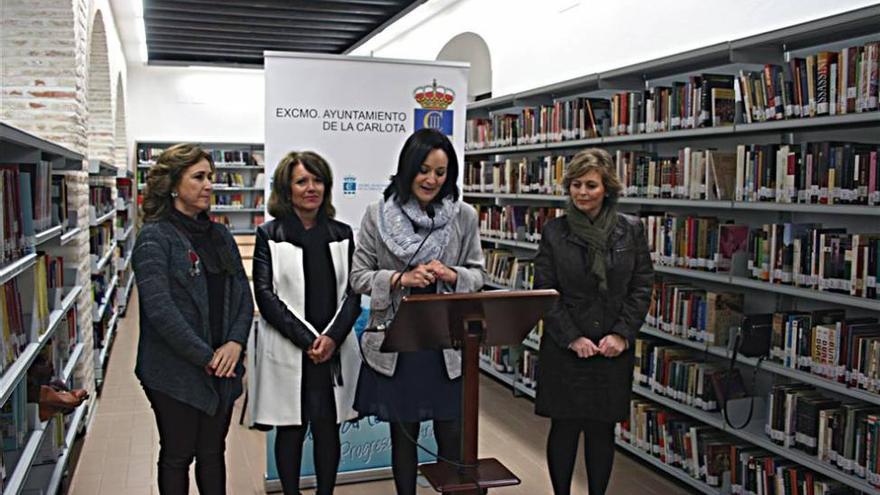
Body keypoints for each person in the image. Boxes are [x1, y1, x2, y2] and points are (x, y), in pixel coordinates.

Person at [350, 128, 485, 495]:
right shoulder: (376, 216)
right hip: (399, 345)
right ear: (408, 168)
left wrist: (452, 274)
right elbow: (358, 277)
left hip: (447, 347)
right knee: (404, 438)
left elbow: (478, 274)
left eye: (441, 173)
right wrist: (399, 278)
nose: (431, 180)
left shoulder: (464, 216)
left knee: (453, 434)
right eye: (424, 169)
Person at [133, 143, 253, 495]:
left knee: (213, 452)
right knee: (177, 455)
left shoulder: (220, 235)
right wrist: (207, 357)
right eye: (199, 177)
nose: (209, 185)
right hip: (174, 372)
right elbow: (160, 310)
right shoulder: (155, 237)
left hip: (223, 367)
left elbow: (242, 297)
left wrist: (234, 343)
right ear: (173, 184)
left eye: (211, 177)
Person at [533, 148, 653, 495]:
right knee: (564, 429)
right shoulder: (554, 231)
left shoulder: (630, 231)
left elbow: (641, 285)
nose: (582, 192)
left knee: (602, 431)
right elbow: (545, 290)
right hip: (565, 350)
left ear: (607, 189)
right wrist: (571, 337)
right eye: (575, 185)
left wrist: (622, 334)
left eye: (590, 185)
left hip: (611, 350)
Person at [249, 151, 362, 495]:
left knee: (328, 429)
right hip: (292, 351)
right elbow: (266, 297)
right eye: (302, 181)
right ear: (287, 188)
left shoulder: (342, 234)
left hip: (333, 350)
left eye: (317, 181)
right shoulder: (270, 235)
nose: (311, 188)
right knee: (291, 430)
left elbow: (354, 293)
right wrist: (309, 341)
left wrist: (331, 338)